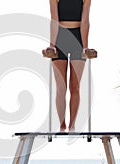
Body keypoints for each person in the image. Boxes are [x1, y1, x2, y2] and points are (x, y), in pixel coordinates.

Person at [43, 0, 92, 132]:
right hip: (61, 37)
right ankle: (62, 124)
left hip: (78, 38)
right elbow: (54, 20)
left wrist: (85, 47)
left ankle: (72, 125)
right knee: (61, 87)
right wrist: (52, 45)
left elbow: (85, 21)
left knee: (75, 86)